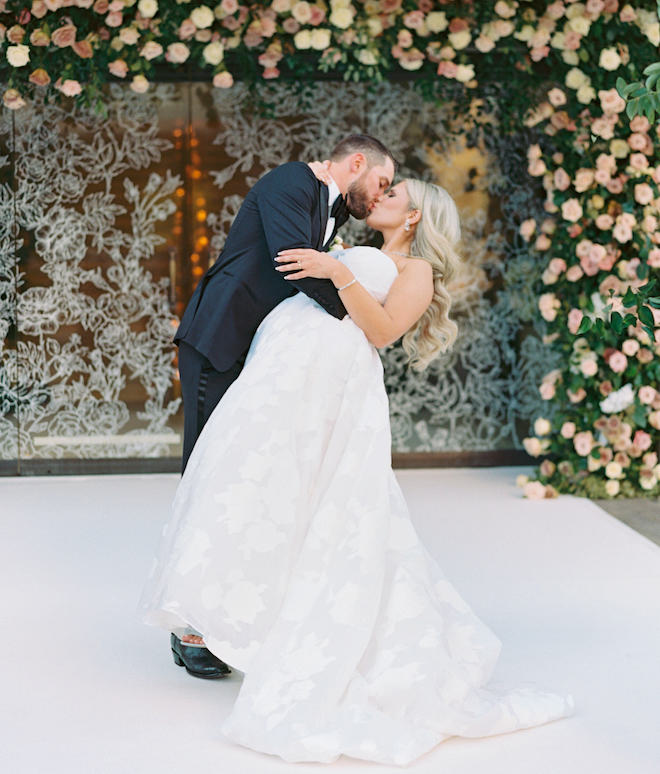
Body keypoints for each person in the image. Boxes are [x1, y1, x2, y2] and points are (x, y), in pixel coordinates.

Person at [140, 176, 574, 765]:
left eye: (396, 194)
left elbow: (383, 330)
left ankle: (284, 629)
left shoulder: (417, 270)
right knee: (248, 492)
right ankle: (213, 620)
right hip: (281, 377)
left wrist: (336, 270)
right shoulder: (344, 237)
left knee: (328, 504)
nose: (383, 196)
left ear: (415, 217)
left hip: (330, 387)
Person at [169, 135, 396, 677]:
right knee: (206, 475)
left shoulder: (330, 209)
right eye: (382, 182)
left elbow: (315, 265)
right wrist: (362, 319)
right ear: (356, 162)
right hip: (219, 340)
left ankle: (227, 612)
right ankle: (188, 627)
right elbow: (295, 266)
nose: (381, 194)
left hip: (255, 353)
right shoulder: (293, 181)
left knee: (236, 478)